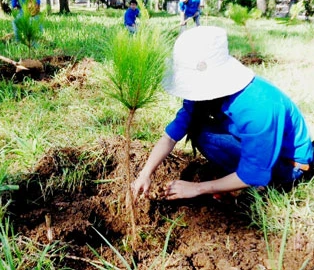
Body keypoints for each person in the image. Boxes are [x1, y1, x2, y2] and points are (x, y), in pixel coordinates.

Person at [132, 26, 313, 201]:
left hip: (287, 164)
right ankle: (233, 180)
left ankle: (262, 187)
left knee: (253, 176)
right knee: (199, 131)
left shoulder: (259, 107)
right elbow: (170, 137)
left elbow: (253, 172)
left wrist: (196, 188)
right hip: (252, 145)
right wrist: (145, 173)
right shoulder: (201, 95)